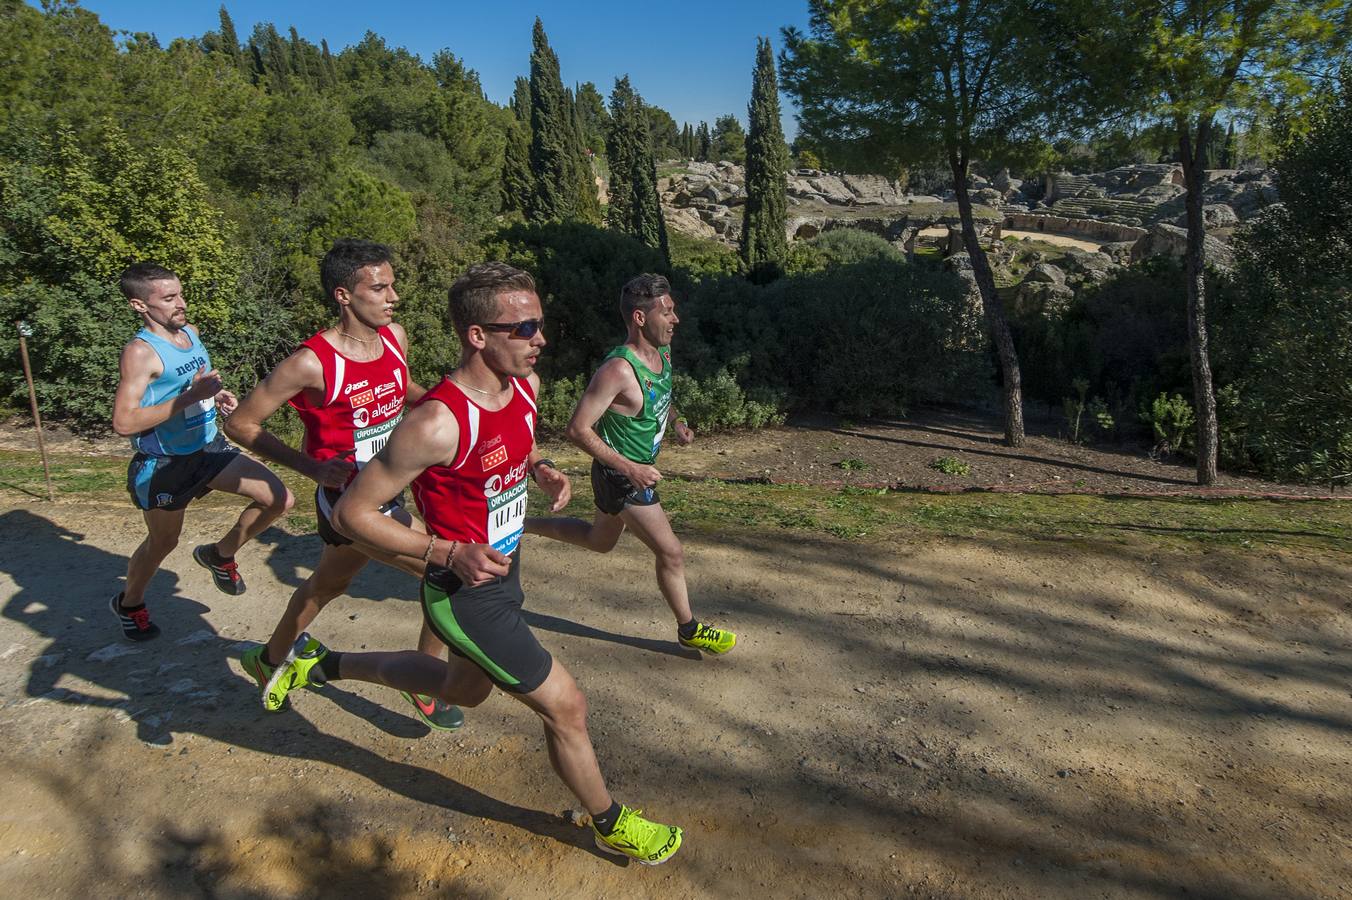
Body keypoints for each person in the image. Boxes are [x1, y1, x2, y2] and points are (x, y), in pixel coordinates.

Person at [266, 262, 683, 865]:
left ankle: (323, 662)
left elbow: (518, 444)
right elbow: (353, 514)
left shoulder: (523, 389)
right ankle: (610, 821)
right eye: (525, 328)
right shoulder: (435, 421)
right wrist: (445, 552)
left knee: (462, 688)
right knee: (565, 705)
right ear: (477, 335)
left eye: (541, 325)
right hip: (462, 592)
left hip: (506, 570)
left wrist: (539, 467)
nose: (540, 339)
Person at [223, 239, 461, 729]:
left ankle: (270, 658)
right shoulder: (310, 362)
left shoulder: (395, 336)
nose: (393, 296)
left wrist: (446, 407)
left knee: (326, 585)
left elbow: (402, 388)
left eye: (393, 284)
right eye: (379, 287)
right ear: (343, 295)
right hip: (348, 502)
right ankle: (424, 681)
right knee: (447, 574)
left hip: (388, 490)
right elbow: (241, 424)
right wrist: (310, 468)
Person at [525, 273, 735, 654]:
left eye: (674, 311)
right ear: (640, 318)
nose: (676, 319)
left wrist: (677, 422)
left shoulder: (662, 352)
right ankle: (689, 628)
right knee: (670, 551)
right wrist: (630, 469)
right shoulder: (617, 370)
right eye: (667, 312)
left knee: (599, 541)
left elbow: (662, 395)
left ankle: (520, 526)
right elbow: (577, 429)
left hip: (628, 473)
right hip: (622, 476)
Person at [110, 262, 293, 641]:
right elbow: (124, 422)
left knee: (279, 498)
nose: (181, 303)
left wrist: (214, 395)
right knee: (164, 543)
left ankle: (219, 554)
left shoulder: (190, 333)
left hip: (207, 447)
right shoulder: (140, 353)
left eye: (180, 294)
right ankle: (130, 602)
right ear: (139, 305)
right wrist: (191, 397)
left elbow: (192, 382)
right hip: (164, 463)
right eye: (169, 298)